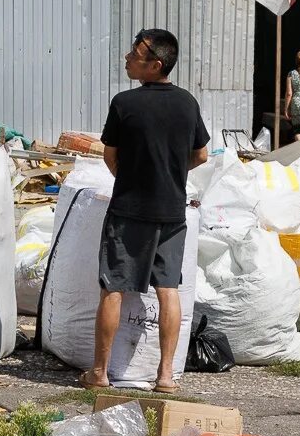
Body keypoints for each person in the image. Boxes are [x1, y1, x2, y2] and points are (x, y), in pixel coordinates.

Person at [84, 28, 210, 391]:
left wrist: (134, 177)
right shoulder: (187, 102)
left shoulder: (125, 103)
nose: (127, 57)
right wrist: (170, 173)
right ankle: (166, 376)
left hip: (128, 211)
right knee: (168, 288)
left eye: (135, 55)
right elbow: (201, 154)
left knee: (113, 288)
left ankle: (99, 373)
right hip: (172, 211)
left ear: (155, 65)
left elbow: (110, 155)